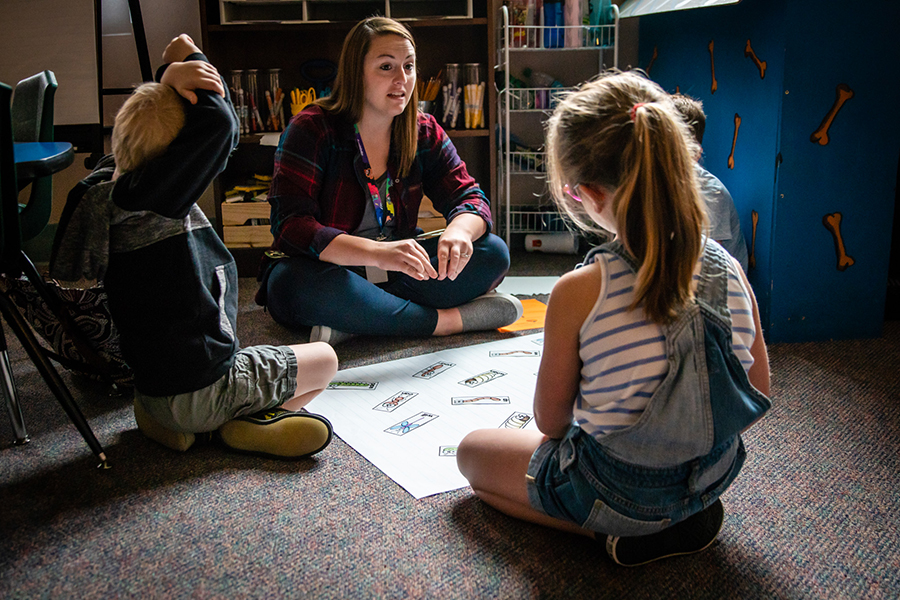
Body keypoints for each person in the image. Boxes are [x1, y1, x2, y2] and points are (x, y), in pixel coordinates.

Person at [456, 71, 771, 567]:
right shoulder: (727, 266)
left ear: (590, 195)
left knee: (472, 457)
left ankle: (610, 533)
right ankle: (676, 519)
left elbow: (550, 422)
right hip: (713, 476)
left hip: (619, 490)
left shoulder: (579, 290)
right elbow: (755, 388)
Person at [50, 34, 339, 459]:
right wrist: (176, 65)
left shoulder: (106, 189)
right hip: (205, 390)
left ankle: (173, 424)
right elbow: (221, 126)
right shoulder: (161, 203)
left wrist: (165, 83)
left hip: (150, 389)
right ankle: (235, 427)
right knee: (326, 359)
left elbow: (156, 124)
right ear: (179, 159)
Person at [256, 17, 521, 346]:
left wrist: (459, 231)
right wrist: (377, 253)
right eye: (386, 67)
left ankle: (357, 319)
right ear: (356, 73)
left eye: (409, 66)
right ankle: (444, 322)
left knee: (493, 252)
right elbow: (291, 227)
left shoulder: (422, 129)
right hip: (333, 270)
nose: (403, 80)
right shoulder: (311, 128)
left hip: (399, 268)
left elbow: (469, 196)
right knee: (288, 285)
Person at [671, 93, 750, 272]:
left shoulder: (709, 191)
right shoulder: (665, 186)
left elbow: (709, 263)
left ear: (695, 153)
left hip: (718, 287)